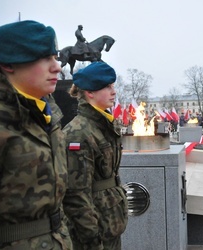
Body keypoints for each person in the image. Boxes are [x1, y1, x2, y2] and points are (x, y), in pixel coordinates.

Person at [0, 20, 72, 249]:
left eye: (55, 57)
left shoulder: (47, 119)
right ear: (8, 63)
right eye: (45, 58)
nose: (57, 67)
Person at [62, 62, 128, 249]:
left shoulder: (102, 126)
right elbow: (76, 195)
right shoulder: (78, 133)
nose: (113, 91)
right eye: (107, 87)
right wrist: (92, 238)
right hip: (94, 233)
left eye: (113, 86)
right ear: (90, 92)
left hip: (109, 224)